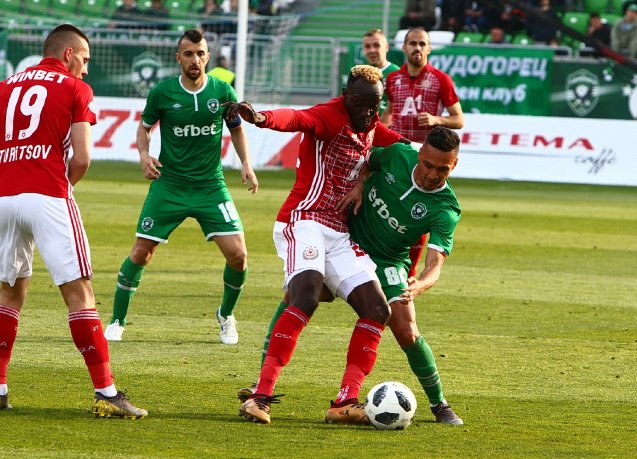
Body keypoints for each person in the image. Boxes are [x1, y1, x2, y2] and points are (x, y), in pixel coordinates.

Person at [241, 127, 465, 426]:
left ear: (454, 165)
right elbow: (366, 161)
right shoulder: (399, 154)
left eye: (443, 169)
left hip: (387, 260)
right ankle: (262, 388)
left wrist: (420, 284)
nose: (432, 174)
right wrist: (360, 185)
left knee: (406, 329)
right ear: (420, 155)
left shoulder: (446, 208)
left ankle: (439, 404)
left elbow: (435, 263)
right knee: (298, 296)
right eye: (428, 164)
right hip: (345, 239)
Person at [225, 65, 410, 425]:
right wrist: (261, 117)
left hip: (339, 233)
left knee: (377, 310)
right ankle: (259, 397)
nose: (372, 114)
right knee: (306, 296)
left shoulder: (370, 125)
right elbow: (295, 118)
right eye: (365, 106)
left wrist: (370, 177)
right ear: (349, 98)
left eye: (378, 106)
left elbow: (400, 150)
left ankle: (345, 400)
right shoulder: (330, 115)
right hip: (303, 219)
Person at [0, 24, 147, 418]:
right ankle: (106, 392)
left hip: (4, 197)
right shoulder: (74, 88)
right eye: (83, 58)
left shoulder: (5, 86)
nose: (85, 68)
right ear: (67, 54)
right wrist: (64, 187)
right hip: (47, 195)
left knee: (9, 293)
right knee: (80, 294)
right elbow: (81, 158)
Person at [103, 29, 258, 344]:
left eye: (200, 53)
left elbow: (237, 129)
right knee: (141, 252)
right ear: (178, 58)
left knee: (239, 256)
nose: (195, 60)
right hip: (169, 185)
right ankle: (117, 320)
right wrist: (144, 155)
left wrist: (246, 163)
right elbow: (144, 128)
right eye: (188, 54)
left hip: (210, 186)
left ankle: (226, 316)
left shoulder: (222, 91)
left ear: (208, 57)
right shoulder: (163, 93)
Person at [381, 27, 463, 278]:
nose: (417, 48)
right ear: (404, 48)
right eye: (412, 43)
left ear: (428, 48)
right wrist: (378, 130)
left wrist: (437, 119)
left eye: (422, 44)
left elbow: (458, 119)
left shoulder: (441, 79)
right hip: (400, 154)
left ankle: (409, 271)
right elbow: (391, 111)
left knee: (419, 215)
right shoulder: (393, 78)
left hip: (426, 158)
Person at [361, 29, 400, 115]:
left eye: (376, 45)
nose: (372, 50)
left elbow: (396, 110)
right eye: (367, 46)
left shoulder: (397, 74)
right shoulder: (360, 74)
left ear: (386, 47)